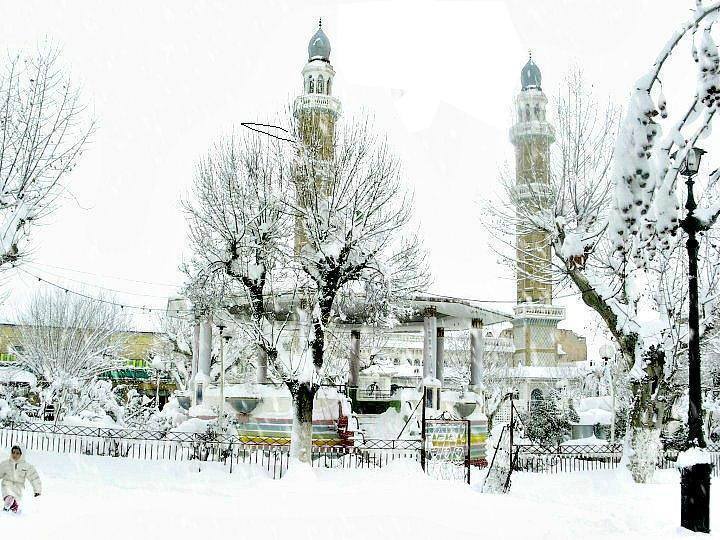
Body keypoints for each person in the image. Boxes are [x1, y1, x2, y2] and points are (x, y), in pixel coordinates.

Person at [0, 446, 41, 513]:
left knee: (15, 499)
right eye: (13, 452)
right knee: (8, 494)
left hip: (19, 486)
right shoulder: (5, 464)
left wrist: (37, 490)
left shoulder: (27, 466)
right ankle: (8, 504)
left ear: (22, 454)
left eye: (17, 453)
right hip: (6, 484)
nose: (15, 455)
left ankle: (12, 511)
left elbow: (34, 478)